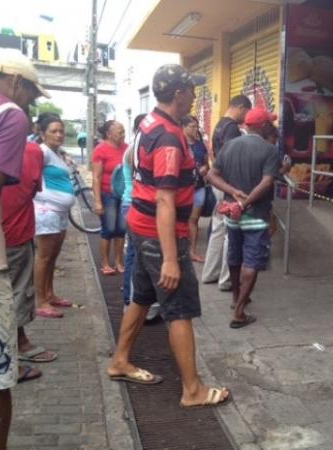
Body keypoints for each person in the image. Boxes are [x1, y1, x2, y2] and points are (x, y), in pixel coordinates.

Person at [107, 64, 230, 408]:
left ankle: (120, 360)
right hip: (161, 236)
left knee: (142, 297)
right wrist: (172, 259)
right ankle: (193, 390)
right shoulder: (168, 138)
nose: (195, 94)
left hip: (141, 226)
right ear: (178, 94)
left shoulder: (150, 123)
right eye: (192, 89)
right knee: (179, 310)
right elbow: (164, 199)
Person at [0, 47, 47, 450]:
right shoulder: (8, 114)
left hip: (14, 235)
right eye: (30, 93)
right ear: (15, 82)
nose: (29, 102)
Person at [208, 108, 281, 329]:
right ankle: (239, 312)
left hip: (232, 214)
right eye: (269, 123)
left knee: (234, 256)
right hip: (255, 215)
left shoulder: (229, 146)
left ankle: (236, 299)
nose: (271, 126)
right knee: (252, 261)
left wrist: (233, 193)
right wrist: (246, 202)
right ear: (264, 126)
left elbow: (211, 175)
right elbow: (267, 182)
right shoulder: (270, 150)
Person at [1, 141, 58, 384]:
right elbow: (31, 189)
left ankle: (17, 345)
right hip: (12, 235)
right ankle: (6, 362)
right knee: (10, 297)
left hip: (10, 233)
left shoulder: (31, 151)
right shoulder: (29, 151)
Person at [202, 95, 252, 291]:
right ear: (240, 107)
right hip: (228, 184)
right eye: (247, 112)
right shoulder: (231, 128)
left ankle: (209, 274)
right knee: (229, 232)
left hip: (218, 182)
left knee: (218, 228)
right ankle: (226, 280)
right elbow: (234, 158)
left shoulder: (220, 125)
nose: (246, 117)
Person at [33, 115, 75, 319]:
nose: (59, 134)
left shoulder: (56, 153)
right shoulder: (41, 152)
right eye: (53, 131)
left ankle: (49, 294)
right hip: (46, 211)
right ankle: (40, 301)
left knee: (53, 257)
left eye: (61, 131)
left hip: (60, 213)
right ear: (42, 133)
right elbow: (31, 177)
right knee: (44, 257)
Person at [93, 120, 128, 275]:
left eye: (123, 131)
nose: (123, 134)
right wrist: (97, 201)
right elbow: (96, 177)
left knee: (121, 230)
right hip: (108, 195)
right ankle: (105, 263)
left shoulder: (126, 148)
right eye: (119, 131)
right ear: (109, 134)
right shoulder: (100, 150)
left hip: (124, 195)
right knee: (108, 229)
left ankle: (119, 261)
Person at [120, 113, 146, 311]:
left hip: (130, 204)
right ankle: (130, 300)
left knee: (133, 253)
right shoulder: (135, 150)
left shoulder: (133, 148)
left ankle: (131, 299)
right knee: (134, 255)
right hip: (133, 205)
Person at [181, 115, 208, 263]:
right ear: (183, 127)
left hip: (198, 187)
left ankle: (192, 251)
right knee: (179, 219)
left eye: (196, 126)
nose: (195, 129)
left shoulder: (200, 145)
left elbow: (206, 162)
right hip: (182, 189)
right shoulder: (178, 144)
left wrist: (205, 168)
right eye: (192, 126)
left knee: (193, 220)